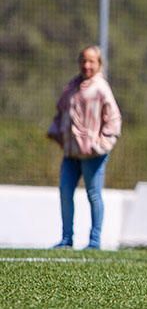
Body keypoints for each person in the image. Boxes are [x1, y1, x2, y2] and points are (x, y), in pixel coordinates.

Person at [47, 45, 122, 250]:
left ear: (99, 64)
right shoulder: (72, 86)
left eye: (91, 61)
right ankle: (66, 238)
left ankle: (94, 241)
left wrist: (100, 145)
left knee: (94, 194)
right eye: (83, 60)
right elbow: (61, 113)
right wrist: (56, 133)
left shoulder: (101, 88)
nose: (86, 65)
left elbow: (114, 120)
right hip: (71, 153)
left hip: (92, 154)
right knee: (65, 191)